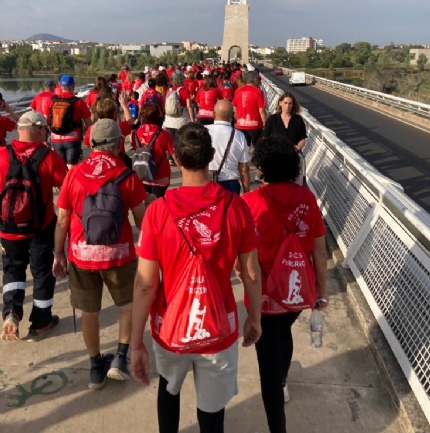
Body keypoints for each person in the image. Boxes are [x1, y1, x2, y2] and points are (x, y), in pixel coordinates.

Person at [130, 123, 262, 433]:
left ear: (175, 158)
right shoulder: (237, 207)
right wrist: (254, 318)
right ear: (212, 157)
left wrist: (136, 342)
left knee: (169, 386)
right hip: (219, 325)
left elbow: (145, 283)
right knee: (212, 409)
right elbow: (252, 273)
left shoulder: (158, 211)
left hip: (170, 326)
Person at [241, 136, 328, 433]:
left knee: (267, 360)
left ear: (262, 168)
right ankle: (284, 380)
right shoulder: (307, 198)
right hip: (297, 290)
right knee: (285, 332)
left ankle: (277, 423)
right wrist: (321, 292)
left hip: (263, 292)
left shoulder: (249, 202)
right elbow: (319, 249)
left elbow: (239, 254)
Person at [52, 119, 147, 389]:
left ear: (90, 143)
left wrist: (59, 253)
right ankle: (119, 357)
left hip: (81, 255)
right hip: (119, 255)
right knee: (127, 305)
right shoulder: (127, 176)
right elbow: (141, 221)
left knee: (89, 312)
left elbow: (62, 220)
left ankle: (95, 367)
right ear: (119, 143)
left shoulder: (74, 174)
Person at [0, 110, 67, 341]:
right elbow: (66, 189)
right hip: (41, 227)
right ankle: (41, 322)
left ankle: (11, 312)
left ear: (19, 130)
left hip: (8, 229)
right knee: (42, 273)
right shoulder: (48, 157)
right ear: (39, 129)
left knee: (13, 270)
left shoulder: (2, 156)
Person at [206, 100, 250, 195]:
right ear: (232, 115)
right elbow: (244, 169)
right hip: (230, 184)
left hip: (206, 182)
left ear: (214, 114)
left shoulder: (203, 131)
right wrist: (246, 192)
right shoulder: (239, 136)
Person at [132, 103, 176, 198]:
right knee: (158, 204)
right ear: (157, 116)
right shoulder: (163, 134)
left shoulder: (135, 133)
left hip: (142, 173)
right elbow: (174, 154)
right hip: (160, 175)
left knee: (146, 203)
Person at [49, 75, 92, 169]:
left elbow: (48, 120)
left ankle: (62, 183)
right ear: (73, 86)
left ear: (60, 86)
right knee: (71, 167)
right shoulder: (78, 102)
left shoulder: (52, 100)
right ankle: (69, 183)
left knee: (60, 167)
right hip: (73, 138)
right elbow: (89, 123)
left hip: (55, 138)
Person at [264, 92, 307, 183]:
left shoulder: (298, 120)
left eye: (290, 103)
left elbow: (302, 139)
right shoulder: (272, 119)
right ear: (280, 103)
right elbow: (265, 138)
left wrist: (298, 146)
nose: (288, 106)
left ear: (293, 104)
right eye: (285, 103)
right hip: (275, 158)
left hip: (292, 158)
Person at [232, 71, 267, 148]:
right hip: (255, 126)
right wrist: (265, 123)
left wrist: (237, 121)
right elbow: (262, 111)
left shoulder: (238, 91)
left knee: (244, 148)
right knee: (258, 147)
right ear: (255, 80)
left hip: (241, 125)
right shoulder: (258, 92)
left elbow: (235, 109)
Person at [163, 73, 194, 143]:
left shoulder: (169, 90)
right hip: (181, 120)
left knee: (171, 142)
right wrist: (192, 120)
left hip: (169, 120)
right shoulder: (185, 91)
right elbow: (189, 106)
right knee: (181, 142)